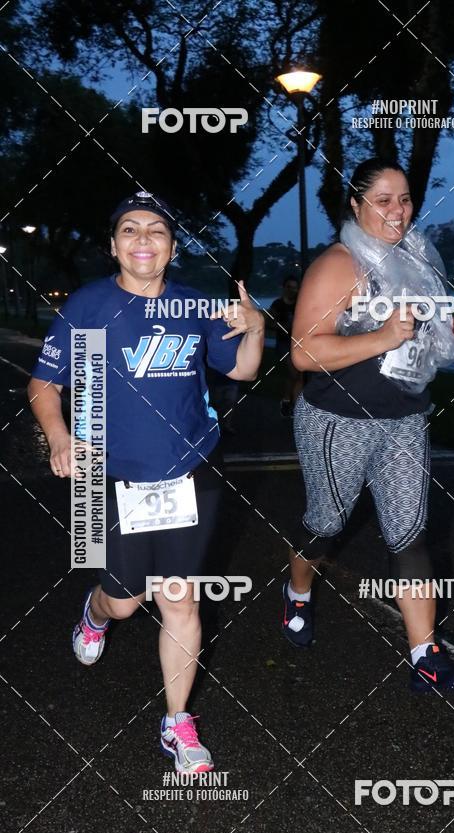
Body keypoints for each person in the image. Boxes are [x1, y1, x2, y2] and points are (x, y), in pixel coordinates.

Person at [27, 191, 265, 771]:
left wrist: (256, 328)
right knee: (128, 602)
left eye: (155, 230)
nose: (142, 240)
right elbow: (44, 385)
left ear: (171, 247)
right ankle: (95, 611)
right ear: (114, 246)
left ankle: (176, 722)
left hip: (192, 469)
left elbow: (241, 368)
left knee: (180, 597)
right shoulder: (88, 306)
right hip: (113, 477)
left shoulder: (195, 306)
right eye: (129, 230)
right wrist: (60, 437)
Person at [281, 158, 454, 693]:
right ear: (357, 204)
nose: (398, 210)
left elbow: (425, 342)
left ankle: (424, 657)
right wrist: (384, 338)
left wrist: (445, 335)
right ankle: (297, 593)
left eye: (406, 198)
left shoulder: (417, 259)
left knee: (411, 535)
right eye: (384, 200)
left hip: (406, 420)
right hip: (336, 421)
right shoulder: (339, 265)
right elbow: (301, 352)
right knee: (325, 525)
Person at [269, 274, 303, 416]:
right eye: (289, 287)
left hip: (299, 343)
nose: (292, 290)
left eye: (295, 288)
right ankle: (289, 402)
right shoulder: (278, 304)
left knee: (297, 375)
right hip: (284, 343)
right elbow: (271, 323)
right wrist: (284, 326)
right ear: (284, 288)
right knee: (293, 373)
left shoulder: (300, 304)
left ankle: (291, 403)